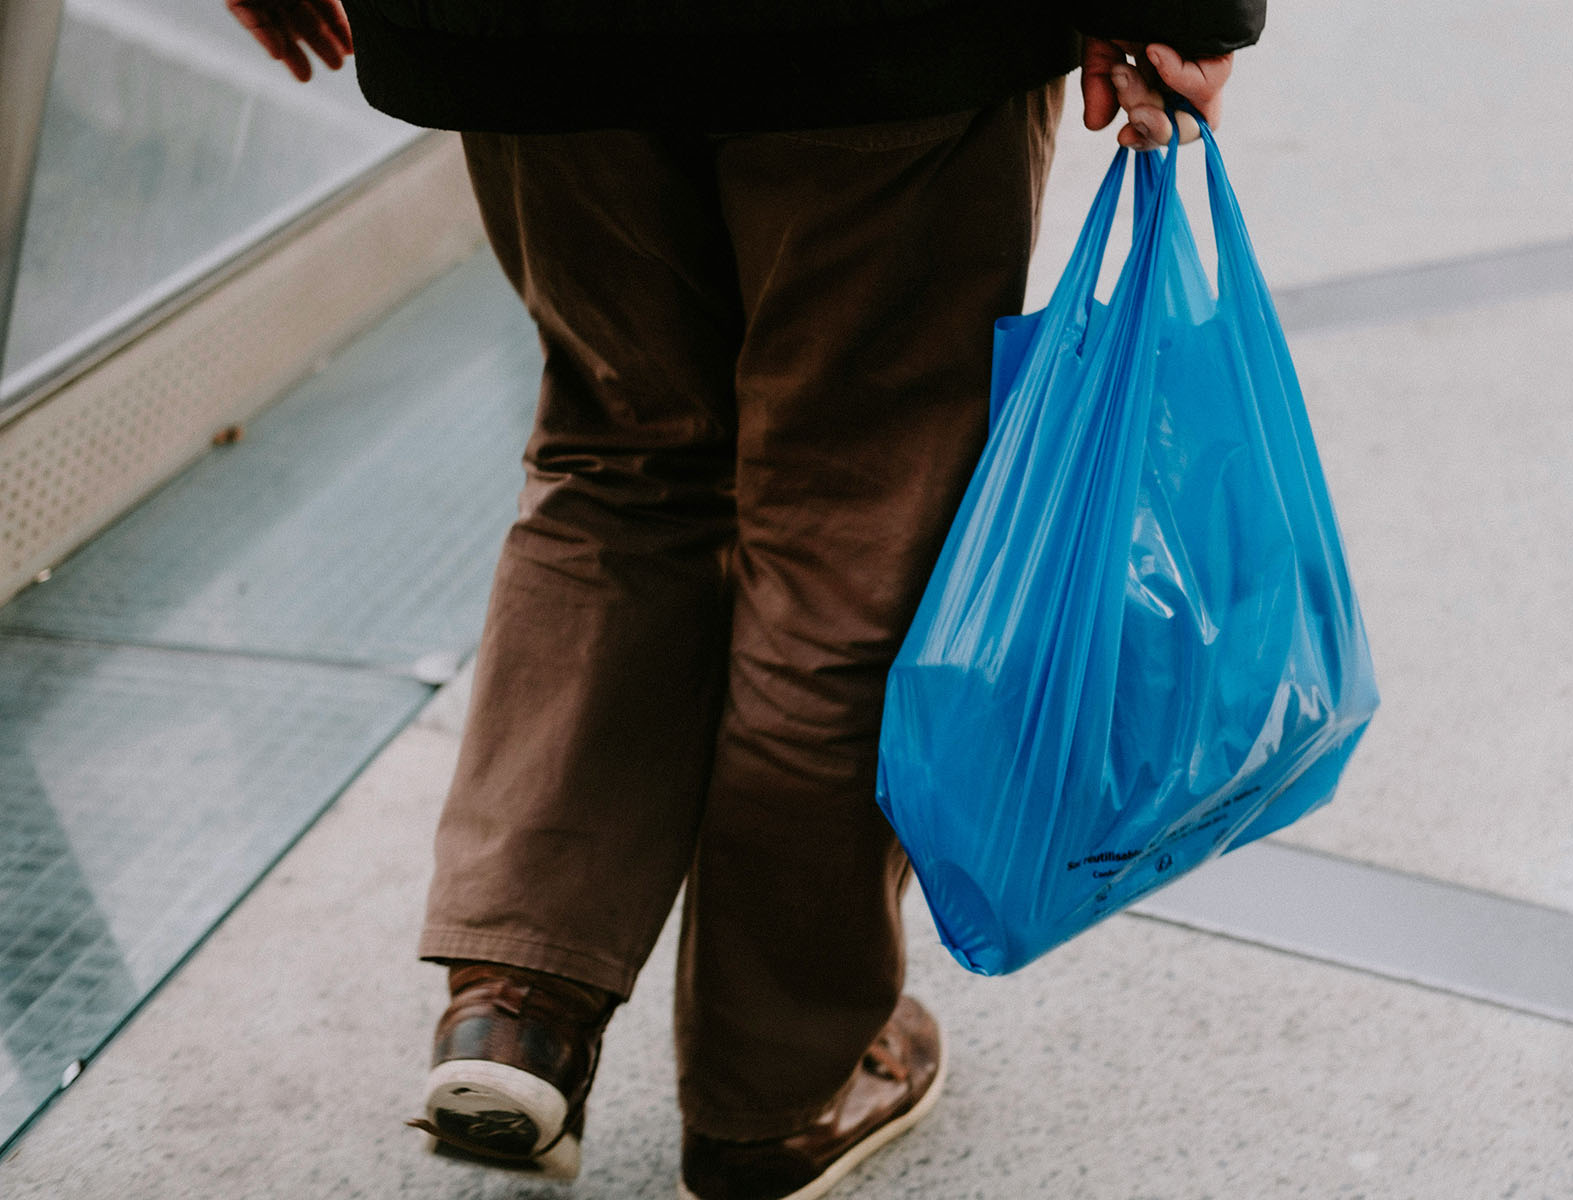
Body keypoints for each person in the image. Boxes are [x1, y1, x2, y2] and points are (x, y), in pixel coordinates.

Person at [225, 1, 1259, 1196]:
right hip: (867, 45)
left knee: (619, 450)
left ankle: (518, 1002)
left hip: (517, 29)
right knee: (853, 510)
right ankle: (778, 1091)